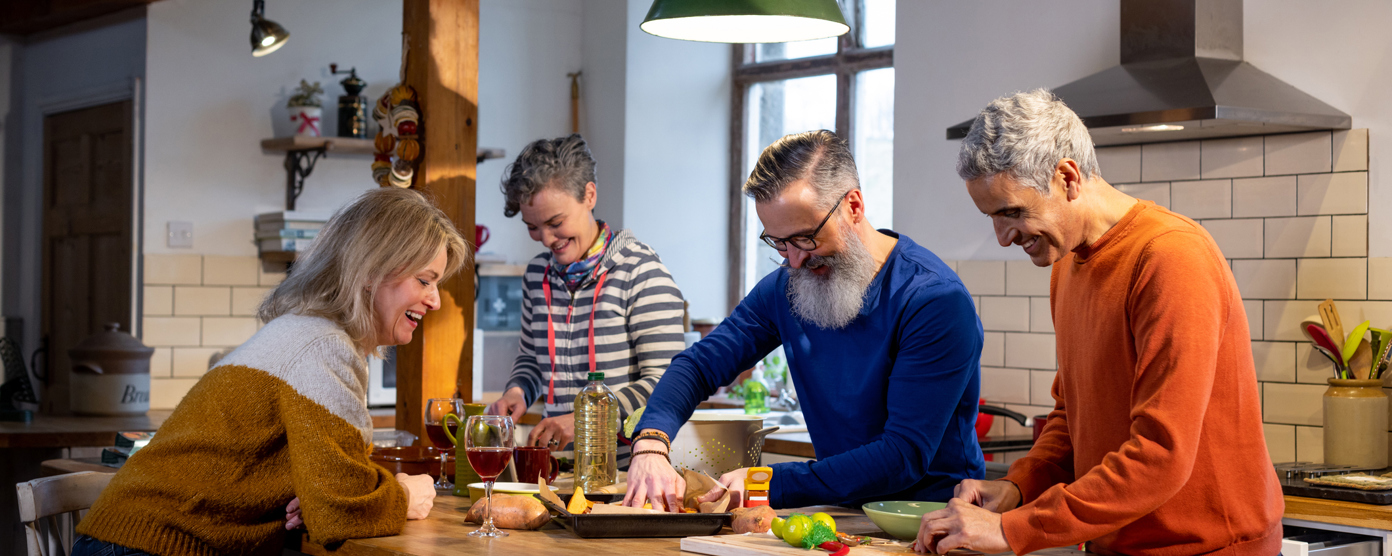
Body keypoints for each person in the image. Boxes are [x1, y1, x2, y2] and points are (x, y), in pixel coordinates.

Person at [916, 90, 1282, 555]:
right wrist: (1018, 488)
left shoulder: (1171, 257)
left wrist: (1013, 530)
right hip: (1117, 543)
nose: (1003, 237)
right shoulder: (1068, 265)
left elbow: (1160, 456)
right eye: (991, 217)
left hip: (1207, 548)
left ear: (1066, 177)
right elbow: (1072, 418)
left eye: (1012, 212)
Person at [72, 188, 469, 555]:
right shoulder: (323, 346)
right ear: (370, 272)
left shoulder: (306, 332)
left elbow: (332, 490)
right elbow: (341, 511)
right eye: (425, 281)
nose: (434, 300)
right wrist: (404, 495)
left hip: (131, 540)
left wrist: (317, 496)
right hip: (151, 546)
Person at [624, 130, 985, 512]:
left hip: (933, 521)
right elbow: (699, 364)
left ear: (854, 206)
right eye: (778, 242)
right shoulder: (786, 288)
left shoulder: (932, 300)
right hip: (844, 515)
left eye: (805, 238)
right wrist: (650, 443)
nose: (793, 261)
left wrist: (768, 483)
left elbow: (902, 455)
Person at [485, 134, 685, 469]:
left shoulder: (641, 270)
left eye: (555, 223)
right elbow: (533, 360)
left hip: (630, 474)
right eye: (533, 227)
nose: (547, 239)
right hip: (560, 472)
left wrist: (585, 418)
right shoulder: (538, 276)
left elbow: (669, 383)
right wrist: (517, 392)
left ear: (589, 195)